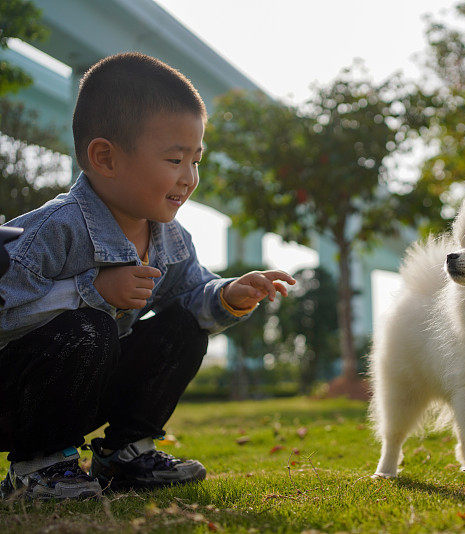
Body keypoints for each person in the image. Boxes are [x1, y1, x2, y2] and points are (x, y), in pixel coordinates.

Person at [0, 52, 295, 500]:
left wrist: (228, 294)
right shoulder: (54, 229)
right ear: (106, 158)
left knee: (185, 326)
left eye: (196, 160)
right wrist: (90, 291)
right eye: (175, 159)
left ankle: (126, 453)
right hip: (17, 400)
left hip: (84, 394)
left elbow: (192, 292)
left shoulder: (169, 238)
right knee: (90, 325)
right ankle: (38, 467)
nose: (190, 178)